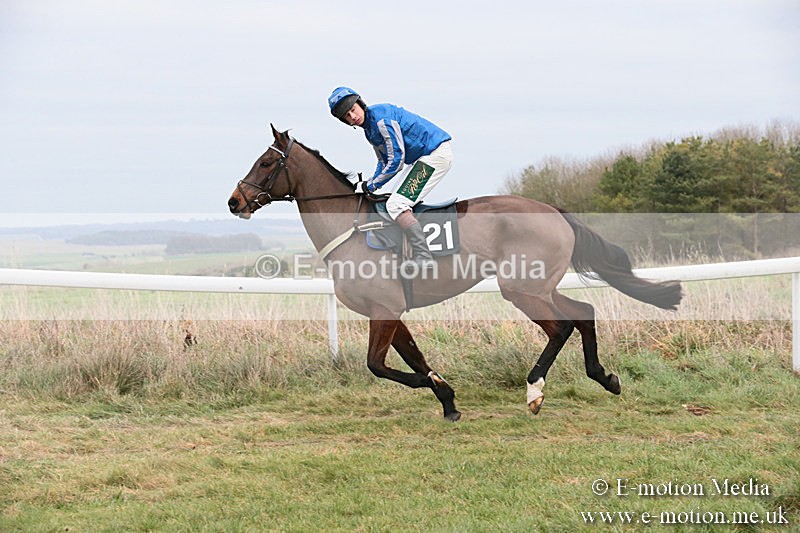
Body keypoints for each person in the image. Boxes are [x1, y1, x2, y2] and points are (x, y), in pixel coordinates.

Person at [327, 86, 453, 271]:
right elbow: (382, 161)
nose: (353, 117)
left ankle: (424, 256)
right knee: (393, 200)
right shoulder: (369, 130)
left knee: (395, 204)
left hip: (435, 154)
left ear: (360, 103)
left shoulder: (380, 121)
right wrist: (369, 183)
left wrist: (371, 185)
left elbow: (396, 160)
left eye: (353, 110)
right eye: (347, 116)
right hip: (423, 157)